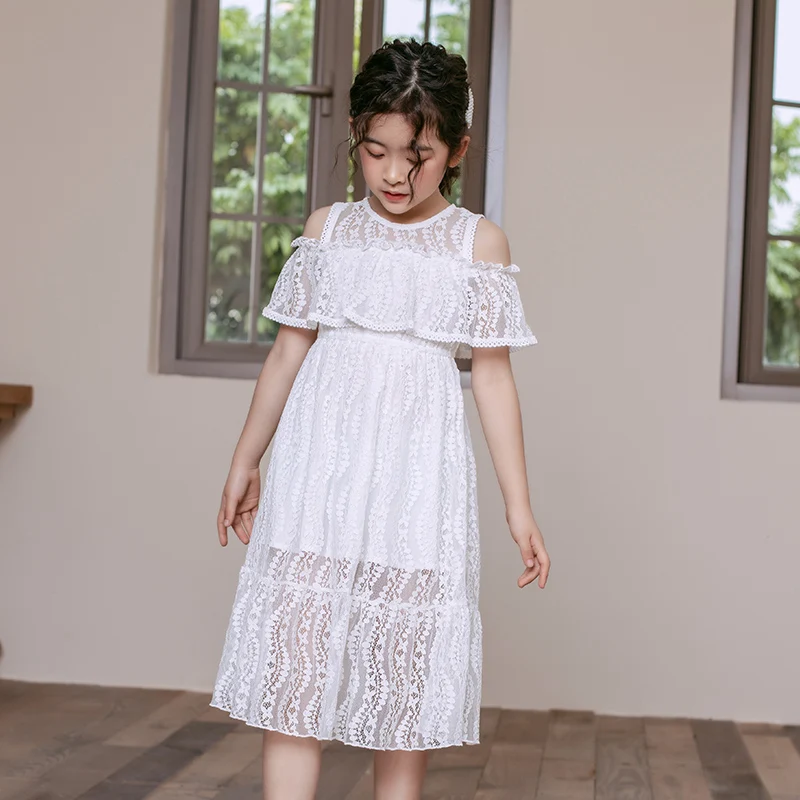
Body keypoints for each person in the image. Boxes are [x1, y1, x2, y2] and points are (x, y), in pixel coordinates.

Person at [210, 38, 550, 800]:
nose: (395, 174)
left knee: (404, 684)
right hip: (319, 473)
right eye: (376, 151)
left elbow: (493, 377)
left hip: (415, 481)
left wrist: (519, 506)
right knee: (296, 674)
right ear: (356, 137)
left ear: (458, 149)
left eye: (417, 156)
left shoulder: (476, 244)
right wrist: (245, 460)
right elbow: (287, 353)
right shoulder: (328, 231)